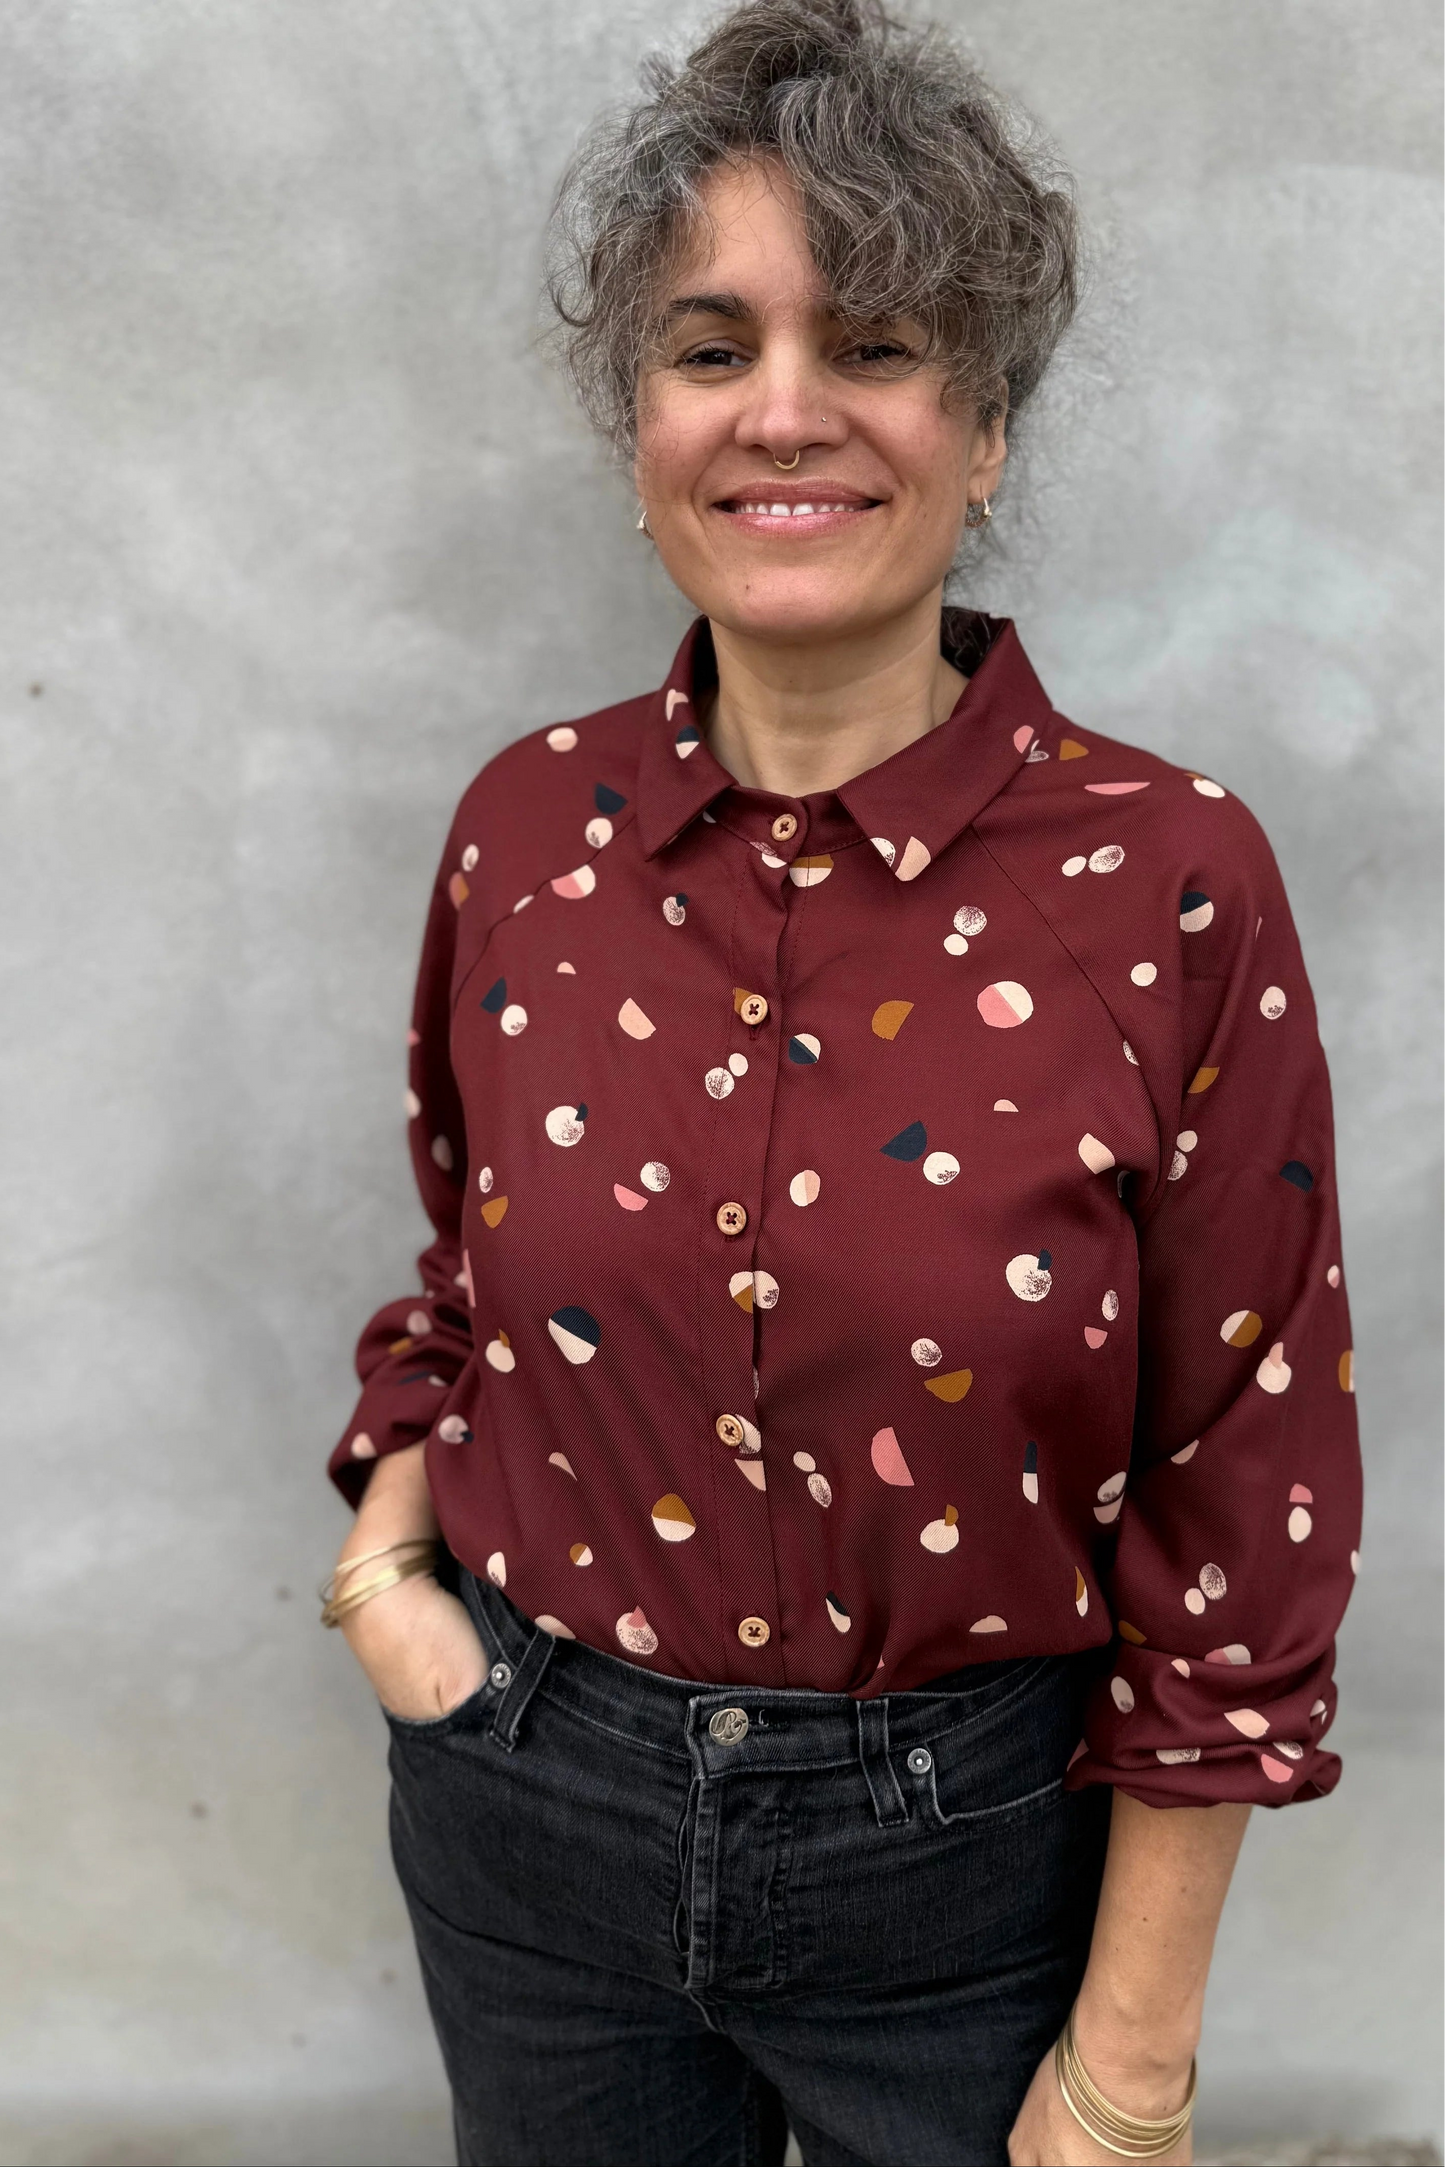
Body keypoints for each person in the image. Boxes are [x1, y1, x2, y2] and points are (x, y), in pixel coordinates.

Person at [321, 4, 1362, 2161]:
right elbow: (466, 1267)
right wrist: (391, 1596)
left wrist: (1131, 2068)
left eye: (871, 341)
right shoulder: (527, 828)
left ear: (984, 430)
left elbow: (1236, 1485)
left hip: (966, 1881)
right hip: (526, 1824)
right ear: (635, 427)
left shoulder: (1166, 879)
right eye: (709, 349)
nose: (781, 414)